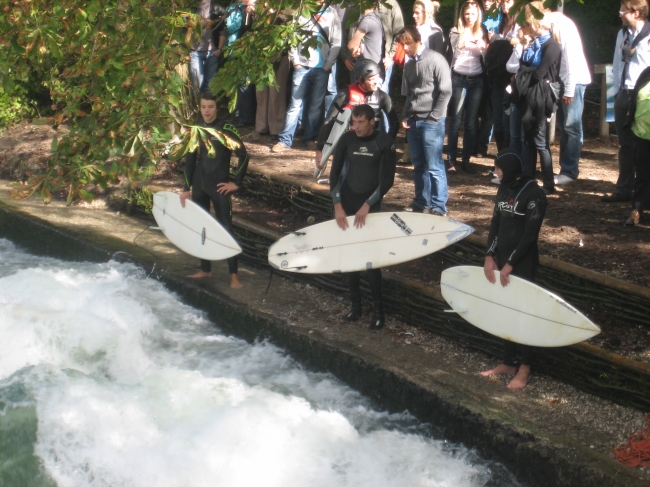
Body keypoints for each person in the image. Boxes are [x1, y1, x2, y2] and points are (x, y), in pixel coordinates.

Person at [480, 148, 548, 389]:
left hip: (523, 263)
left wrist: (510, 263)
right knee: (504, 310)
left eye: (498, 168)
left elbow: (530, 235)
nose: (495, 172)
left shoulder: (535, 194)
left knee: (523, 313)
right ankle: (508, 361)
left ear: (509, 170)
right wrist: (490, 255)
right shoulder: (504, 188)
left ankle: (525, 367)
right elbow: (496, 223)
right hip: (501, 258)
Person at [329, 104, 397, 330]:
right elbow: (334, 174)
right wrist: (337, 205)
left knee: (370, 261)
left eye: (360, 122)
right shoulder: (347, 140)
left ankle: (378, 311)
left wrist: (368, 204)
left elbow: (387, 180)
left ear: (372, 122)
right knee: (349, 257)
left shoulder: (384, 142)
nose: (355, 127)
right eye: (353, 122)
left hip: (370, 206)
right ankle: (355, 307)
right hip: (346, 203)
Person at [180, 92, 249, 288]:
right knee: (201, 227)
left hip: (220, 187)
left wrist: (236, 183)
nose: (207, 111)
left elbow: (243, 155)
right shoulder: (196, 129)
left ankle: (233, 275)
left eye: (210, 107)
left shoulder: (225, 128)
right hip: (199, 185)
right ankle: (205, 269)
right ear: (200, 108)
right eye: (203, 107)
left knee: (226, 228)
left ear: (216, 108)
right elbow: (190, 160)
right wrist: (186, 188)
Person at [271, 4, 341, 152]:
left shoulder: (332, 13)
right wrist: (296, 62)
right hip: (302, 66)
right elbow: (293, 38)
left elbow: (337, 41)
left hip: (322, 68)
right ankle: (285, 140)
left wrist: (328, 64)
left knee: (315, 107)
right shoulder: (300, 11)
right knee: (294, 105)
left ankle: (309, 139)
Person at [536, 3, 592, 186]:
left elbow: (571, 60)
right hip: (563, 80)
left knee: (572, 126)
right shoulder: (552, 24)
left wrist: (569, 89)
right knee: (564, 125)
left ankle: (570, 170)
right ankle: (566, 167)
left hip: (574, 81)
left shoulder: (563, 25)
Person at [399, 25, 452, 215]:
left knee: (434, 165)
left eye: (408, 44)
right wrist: (405, 115)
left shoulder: (436, 59)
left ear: (418, 41)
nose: (404, 48)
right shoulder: (408, 63)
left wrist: (434, 117)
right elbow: (410, 93)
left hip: (431, 121)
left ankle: (439, 206)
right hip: (413, 120)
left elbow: (445, 91)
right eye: (402, 44)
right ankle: (422, 201)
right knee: (418, 165)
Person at [315, 59, 399, 171]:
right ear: (360, 79)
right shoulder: (345, 95)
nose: (376, 81)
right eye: (371, 79)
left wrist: (386, 143)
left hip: (372, 146)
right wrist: (320, 149)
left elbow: (395, 123)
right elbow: (329, 121)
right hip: (349, 145)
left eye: (377, 77)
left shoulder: (383, 97)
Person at [603, 0, 650, 203]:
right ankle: (623, 190)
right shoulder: (622, 35)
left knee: (643, 145)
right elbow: (616, 63)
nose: (620, 14)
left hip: (644, 97)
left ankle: (642, 194)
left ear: (637, 13)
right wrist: (617, 92)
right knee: (625, 144)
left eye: (624, 10)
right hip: (624, 93)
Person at [517, 5, 562, 194]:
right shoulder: (534, 44)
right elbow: (523, 65)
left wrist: (523, 77)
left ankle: (548, 184)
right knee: (527, 140)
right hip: (529, 96)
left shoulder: (551, 45)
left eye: (529, 25)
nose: (527, 29)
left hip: (542, 97)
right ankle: (528, 179)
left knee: (541, 142)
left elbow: (539, 73)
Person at [447, 1, 489, 174]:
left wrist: (483, 48)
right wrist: (460, 44)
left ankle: (466, 159)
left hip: (477, 80)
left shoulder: (482, 31)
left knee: (471, 122)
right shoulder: (456, 31)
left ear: (477, 14)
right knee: (456, 120)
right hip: (459, 78)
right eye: (466, 14)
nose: (469, 17)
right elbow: (452, 54)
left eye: (472, 14)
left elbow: (486, 55)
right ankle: (451, 160)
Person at [625, 66, 650, 225]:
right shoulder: (647, 72)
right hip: (642, 133)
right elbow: (635, 96)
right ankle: (637, 211)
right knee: (642, 173)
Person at [189, 0, 227, 94]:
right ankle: (198, 106)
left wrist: (219, 49)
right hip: (195, 51)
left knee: (209, 85)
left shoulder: (217, 8)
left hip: (212, 51)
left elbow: (223, 30)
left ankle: (208, 107)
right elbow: (184, 29)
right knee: (197, 83)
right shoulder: (192, 8)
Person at [346, 7, 386, 83]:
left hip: (368, 71)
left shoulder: (367, 21)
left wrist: (357, 48)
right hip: (376, 67)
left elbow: (351, 45)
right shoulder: (376, 19)